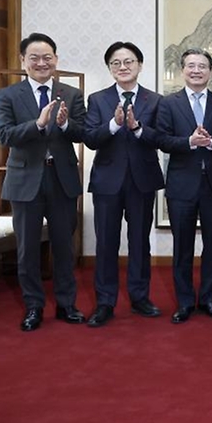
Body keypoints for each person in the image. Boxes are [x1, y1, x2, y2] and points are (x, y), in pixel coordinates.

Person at [0, 33, 87, 332]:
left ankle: (66, 305)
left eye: (47, 57)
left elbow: (83, 132)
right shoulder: (7, 95)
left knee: (63, 247)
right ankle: (33, 307)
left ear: (56, 59)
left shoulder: (71, 94)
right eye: (34, 57)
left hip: (62, 180)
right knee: (28, 249)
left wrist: (64, 124)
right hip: (24, 181)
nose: (41, 62)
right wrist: (38, 124)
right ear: (23, 61)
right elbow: (4, 135)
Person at [84, 41, 165, 327]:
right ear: (109, 68)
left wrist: (137, 128)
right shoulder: (97, 99)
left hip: (142, 180)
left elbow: (161, 139)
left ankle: (140, 297)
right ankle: (105, 302)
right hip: (107, 182)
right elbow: (90, 138)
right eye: (116, 63)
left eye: (129, 61)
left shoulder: (155, 100)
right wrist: (115, 124)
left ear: (140, 65)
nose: (123, 67)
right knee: (106, 243)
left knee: (139, 242)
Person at [156, 49, 212, 324]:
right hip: (181, 184)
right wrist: (188, 142)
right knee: (182, 247)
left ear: (210, 72)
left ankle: (209, 299)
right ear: (182, 70)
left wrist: (210, 143)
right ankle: (185, 302)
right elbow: (162, 139)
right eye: (191, 66)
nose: (196, 70)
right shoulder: (168, 103)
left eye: (202, 66)